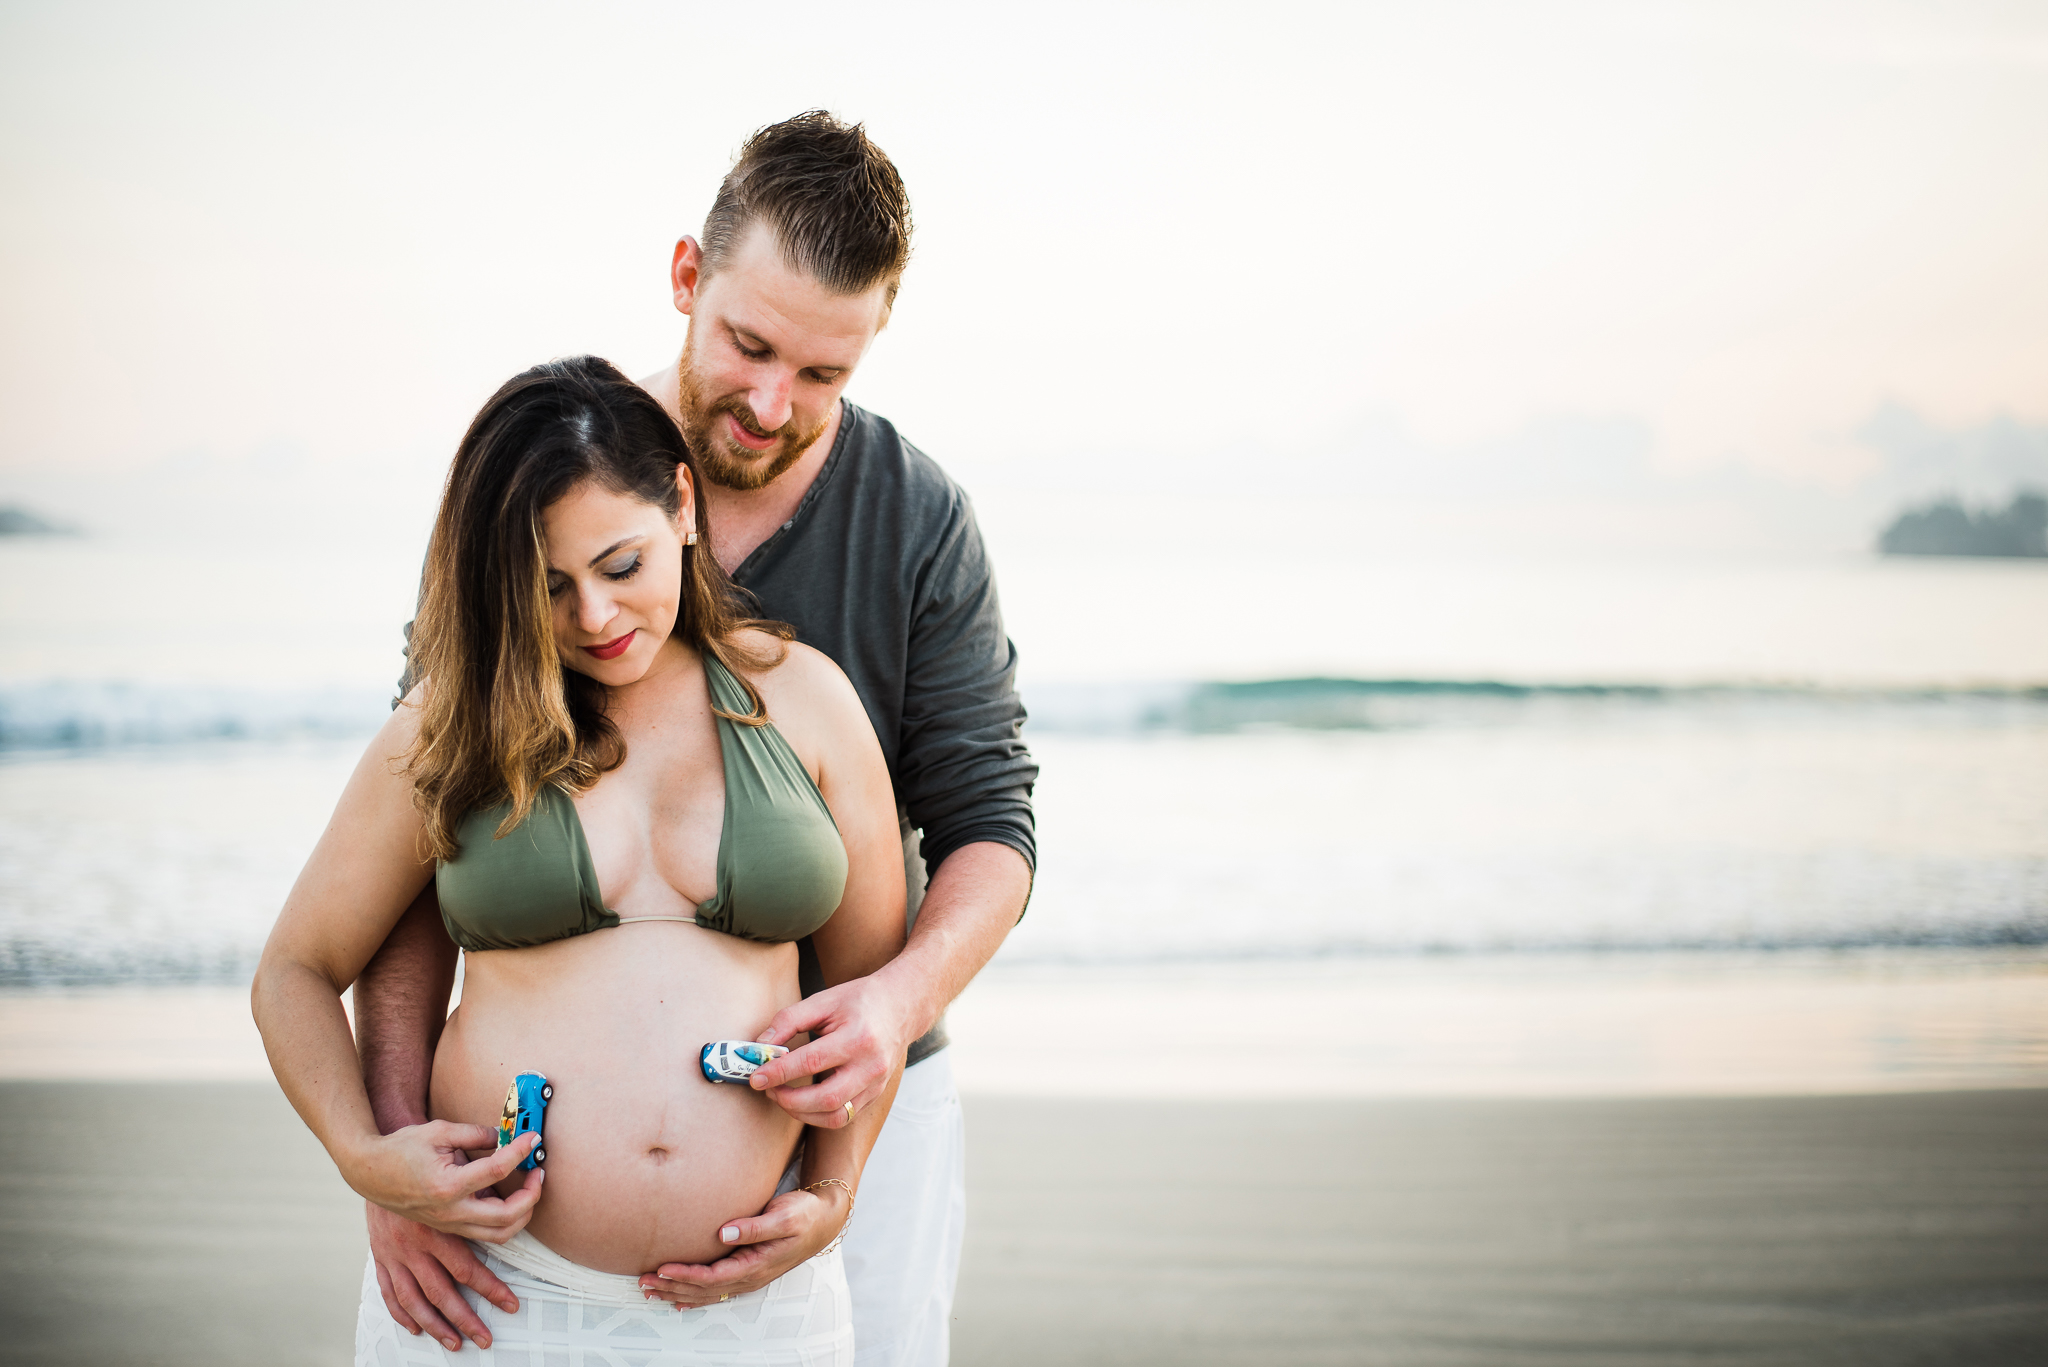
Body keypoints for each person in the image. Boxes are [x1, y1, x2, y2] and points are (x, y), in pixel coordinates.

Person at [355, 112, 1038, 1366]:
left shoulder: (916, 517)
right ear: (686, 276)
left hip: (869, 1090)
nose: (775, 402)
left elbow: (992, 820)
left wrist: (888, 1007)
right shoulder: (546, 476)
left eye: (826, 373)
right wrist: (389, 1155)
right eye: (748, 343)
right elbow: (419, 841)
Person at [254, 356, 908, 1364]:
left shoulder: (807, 701)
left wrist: (834, 1189)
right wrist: (366, 1160)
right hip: (492, 1300)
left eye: (619, 566)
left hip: (758, 1309)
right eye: (547, 585)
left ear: (681, 507)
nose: (595, 618)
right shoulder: (449, 726)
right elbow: (293, 971)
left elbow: (872, 1001)